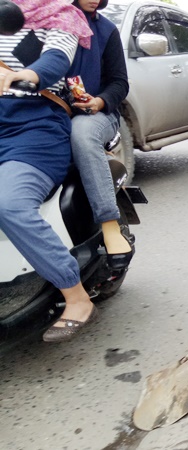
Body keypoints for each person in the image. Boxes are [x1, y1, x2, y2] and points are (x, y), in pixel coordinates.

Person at [0, 0, 99, 343]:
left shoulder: (60, 17)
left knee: (9, 204)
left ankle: (75, 295)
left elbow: (56, 59)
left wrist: (25, 75)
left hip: (34, 130)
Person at [67, 0, 132, 269]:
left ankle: (109, 224)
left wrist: (100, 102)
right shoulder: (46, 25)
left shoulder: (106, 30)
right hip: (45, 111)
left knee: (81, 134)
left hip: (94, 115)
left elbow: (120, 82)